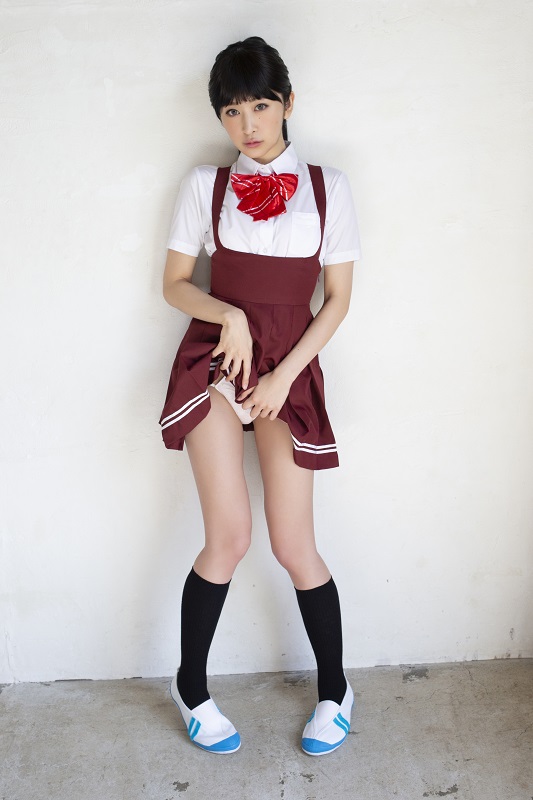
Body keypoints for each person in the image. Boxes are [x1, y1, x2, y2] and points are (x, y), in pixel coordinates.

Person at [160, 36, 361, 756]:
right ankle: (191, 686)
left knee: (293, 543)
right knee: (230, 537)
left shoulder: (328, 187)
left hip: (288, 369)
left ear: (287, 104)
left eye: (261, 106)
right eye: (232, 111)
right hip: (217, 363)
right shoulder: (203, 186)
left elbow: (337, 300)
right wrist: (231, 316)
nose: (247, 124)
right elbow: (174, 284)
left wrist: (283, 375)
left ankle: (335, 690)